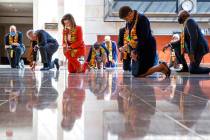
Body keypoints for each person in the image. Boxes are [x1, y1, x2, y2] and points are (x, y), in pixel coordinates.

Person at [119, 6, 170, 77]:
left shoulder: (142, 19)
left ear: (130, 13)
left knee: (140, 73)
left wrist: (135, 51)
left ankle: (161, 66)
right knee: (135, 73)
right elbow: (130, 37)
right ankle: (161, 68)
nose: (126, 21)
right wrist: (127, 47)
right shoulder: (129, 22)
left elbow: (143, 38)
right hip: (136, 47)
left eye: (126, 18)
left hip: (147, 47)